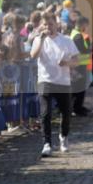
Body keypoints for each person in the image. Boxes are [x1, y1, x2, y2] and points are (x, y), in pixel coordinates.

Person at [30, 12, 79, 156]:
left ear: (56, 24)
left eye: (50, 24)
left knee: (66, 112)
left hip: (63, 81)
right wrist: (41, 39)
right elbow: (33, 55)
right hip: (45, 80)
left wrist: (67, 63)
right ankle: (47, 144)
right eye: (45, 24)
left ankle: (63, 136)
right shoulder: (38, 39)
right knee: (45, 113)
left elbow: (77, 60)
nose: (48, 27)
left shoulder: (66, 40)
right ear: (41, 26)